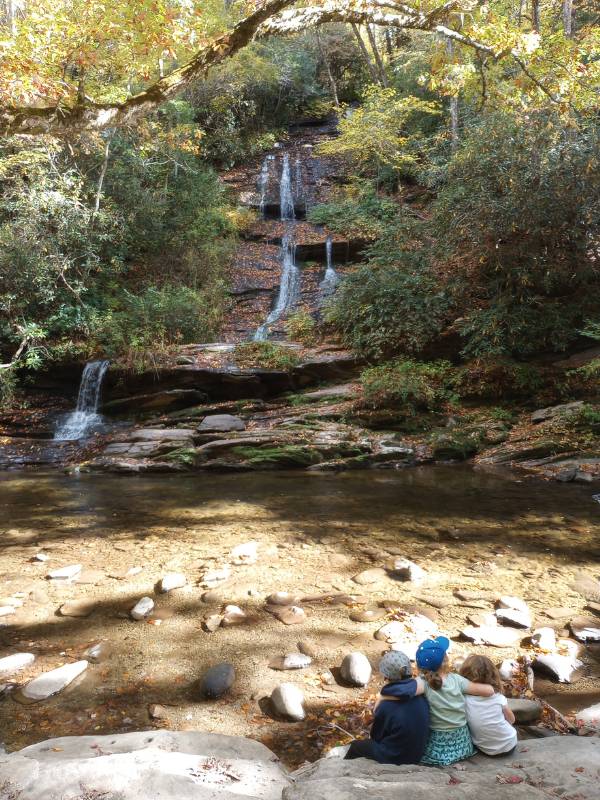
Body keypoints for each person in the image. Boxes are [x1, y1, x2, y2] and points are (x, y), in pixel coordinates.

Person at [415, 636, 495, 766]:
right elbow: (489, 691)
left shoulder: (422, 683)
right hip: (462, 745)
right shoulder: (457, 680)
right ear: (445, 661)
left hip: (437, 747)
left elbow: (404, 691)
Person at [343, 650, 430, 765]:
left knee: (356, 746)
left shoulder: (386, 705)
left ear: (385, 677)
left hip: (397, 757)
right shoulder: (421, 693)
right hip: (417, 753)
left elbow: (376, 736)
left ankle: (343, 769)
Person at [459, 654, 517, 756]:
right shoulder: (498, 698)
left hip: (484, 748)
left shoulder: (464, 699)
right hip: (509, 744)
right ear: (493, 675)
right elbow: (512, 720)